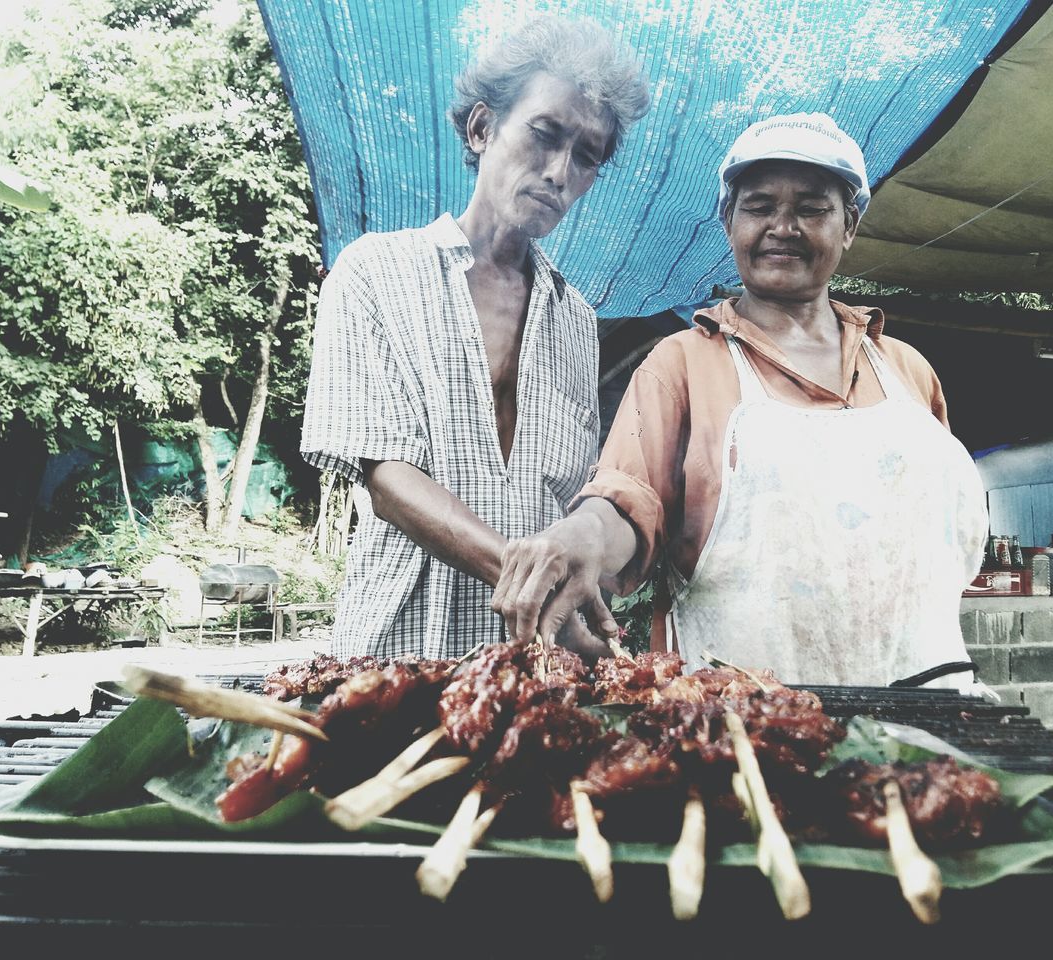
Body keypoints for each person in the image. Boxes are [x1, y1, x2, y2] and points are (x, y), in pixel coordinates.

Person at [493, 112, 989, 690]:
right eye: (759, 206)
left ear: (849, 225)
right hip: (743, 720)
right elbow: (630, 499)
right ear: (729, 222)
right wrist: (582, 536)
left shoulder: (908, 371)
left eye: (811, 208)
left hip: (926, 704)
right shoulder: (683, 362)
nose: (783, 226)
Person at [300, 18, 649, 660]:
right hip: (396, 657)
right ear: (483, 127)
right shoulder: (374, 272)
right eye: (544, 136)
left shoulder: (576, 320)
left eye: (588, 157)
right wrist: (534, 585)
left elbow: (570, 504)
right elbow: (385, 477)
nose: (559, 172)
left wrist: (577, 590)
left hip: (535, 667)